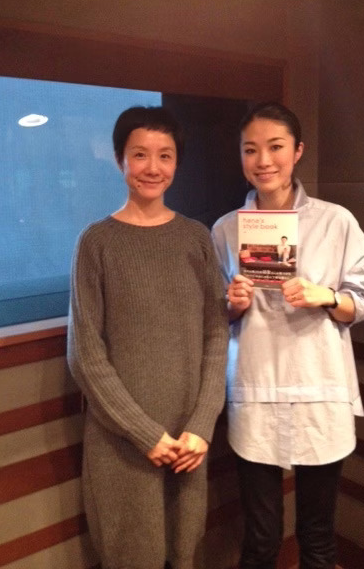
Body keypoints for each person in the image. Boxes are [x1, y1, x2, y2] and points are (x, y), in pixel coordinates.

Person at [211, 102, 364, 569]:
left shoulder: (335, 221)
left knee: (317, 537)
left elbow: (360, 302)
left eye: (275, 147)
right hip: (255, 390)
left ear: (297, 151)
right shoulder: (225, 230)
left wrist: (325, 295)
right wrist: (232, 303)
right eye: (250, 149)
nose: (263, 160)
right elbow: (213, 317)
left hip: (319, 388)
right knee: (261, 539)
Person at [67, 106, 229, 569]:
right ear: (120, 159)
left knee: (184, 552)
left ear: (177, 162)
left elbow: (216, 333)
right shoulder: (96, 242)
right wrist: (145, 435)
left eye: (165, 155)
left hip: (187, 441)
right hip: (122, 444)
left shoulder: (196, 238)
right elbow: (85, 355)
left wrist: (202, 426)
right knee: (131, 556)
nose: (153, 167)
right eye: (140, 154)